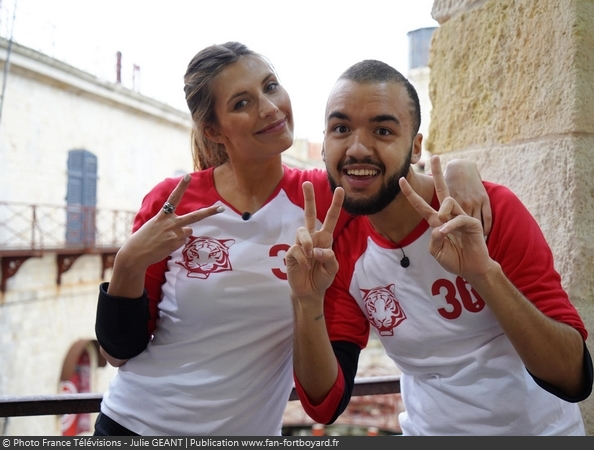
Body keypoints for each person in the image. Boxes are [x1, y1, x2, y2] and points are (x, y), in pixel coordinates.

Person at [93, 42, 490, 436]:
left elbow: (392, 178)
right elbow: (118, 352)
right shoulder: (173, 200)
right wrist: (128, 262)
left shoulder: (326, 201)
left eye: (270, 86)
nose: (269, 107)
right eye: (242, 103)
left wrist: (459, 170)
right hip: (133, 424)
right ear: (213, 129)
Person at [286, 59, 594, 435]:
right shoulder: (337, 250)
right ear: (323, 143)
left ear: (415, 147)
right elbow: (325, 404)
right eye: (341, 128)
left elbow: (573, 377)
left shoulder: (482, 212)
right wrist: (306, 301)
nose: (357, 148)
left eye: (382, 130)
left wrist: (483, 274)